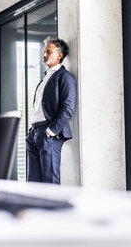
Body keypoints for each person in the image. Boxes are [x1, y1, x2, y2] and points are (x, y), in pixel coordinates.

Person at [26, 37, 76, 184]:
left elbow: (67, 108)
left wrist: (50, 131)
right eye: (44, 51)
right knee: (33, 182)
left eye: (49, 51)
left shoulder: (65, 77)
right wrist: (31, 132)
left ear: (59, 55)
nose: (44, 54)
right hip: (33, 133)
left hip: (48, 134)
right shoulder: (44, 79)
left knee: (49, 182)